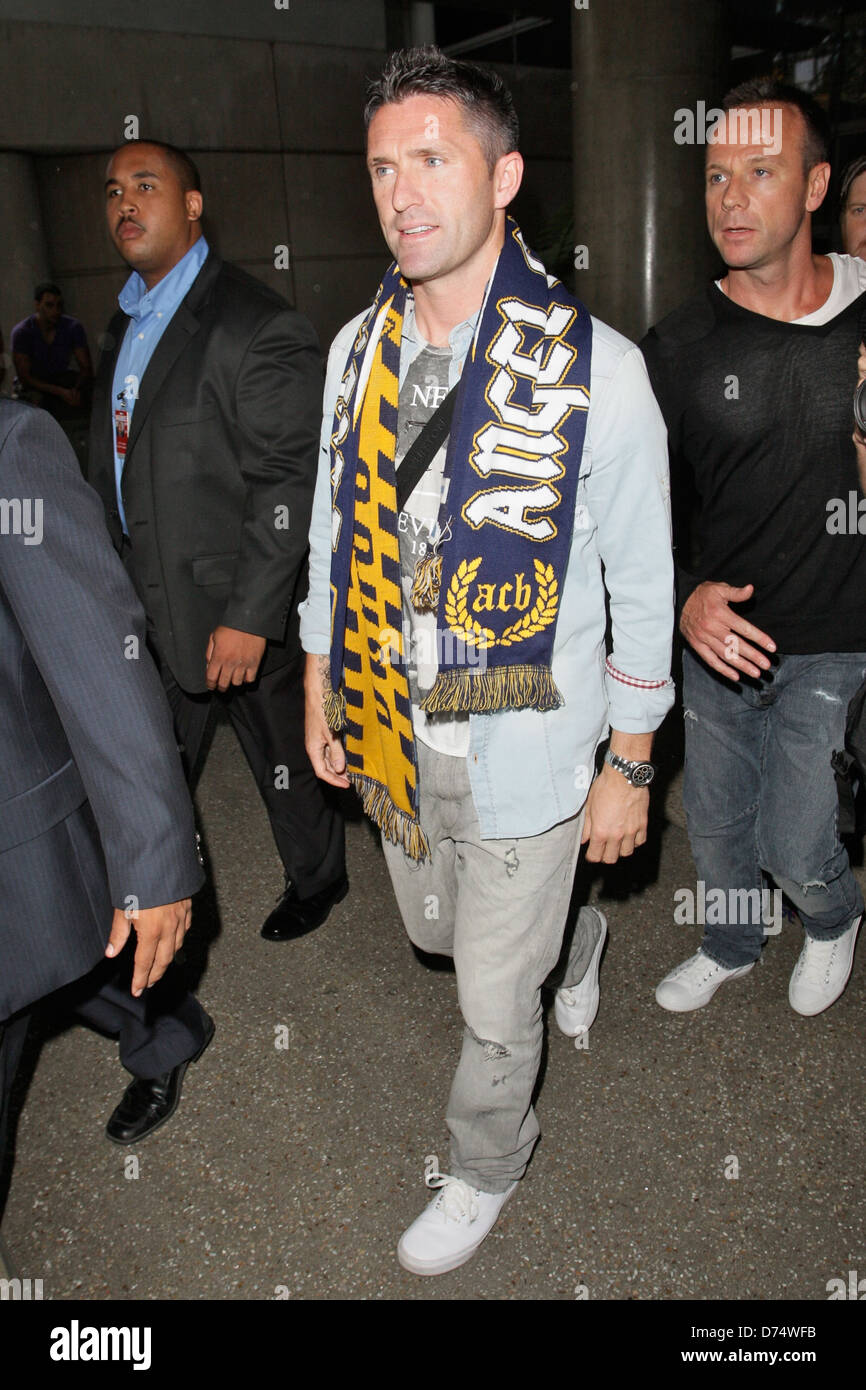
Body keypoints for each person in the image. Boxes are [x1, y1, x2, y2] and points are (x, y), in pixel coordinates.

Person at [301, 46, 674, 1276]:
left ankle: (479, 1166)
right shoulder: (357, 349)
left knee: (486, 1005)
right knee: (440, 939)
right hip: (394, 727)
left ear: (503, 174)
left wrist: (629, 762)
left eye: (431, 158)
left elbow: (638, 587)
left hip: (529, 747)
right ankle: (577, 938)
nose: (401, 192)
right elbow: (327, 522)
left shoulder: (596, 373)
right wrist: (320, 672)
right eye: (379, 168)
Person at [641, 80, 866, 1018]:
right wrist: (688, 595)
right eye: (716, 175)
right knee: (721, 828)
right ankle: (734, 940)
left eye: (760, 172)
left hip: (836, 632)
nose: (730, 197)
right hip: (720, 639)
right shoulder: (680, 345)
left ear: (816, 188)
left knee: (794, 837)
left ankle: (831, 918)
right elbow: (636, 507)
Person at [87, 139, 346, 943]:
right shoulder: (123, 321)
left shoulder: (254, 322)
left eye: (146, 185)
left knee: (284, 761)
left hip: (238, 612)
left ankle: (319, 880)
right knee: (147, 765)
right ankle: (159, 896)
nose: (124, 202)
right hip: (145, 600)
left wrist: (249, 616)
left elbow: (286, 482)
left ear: (192, 205)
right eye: (112, 190)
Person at [0, 399, 207, 1227]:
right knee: (67, 950)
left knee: (78, 940)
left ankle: (160, 1022)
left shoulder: (10, 448)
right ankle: (164, 1024)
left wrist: (153, 861)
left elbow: (97, 651)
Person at [11, 283, 93, 420]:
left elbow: (86, 367)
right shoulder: (22, 332)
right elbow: (25, 378)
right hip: (35, 385)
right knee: (34, 403)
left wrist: (75, 390)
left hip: (61, 379)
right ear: (37, 305)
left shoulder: (72, 327)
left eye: (59, 305)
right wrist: (60, 392)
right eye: (49, 305)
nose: (55, 310)